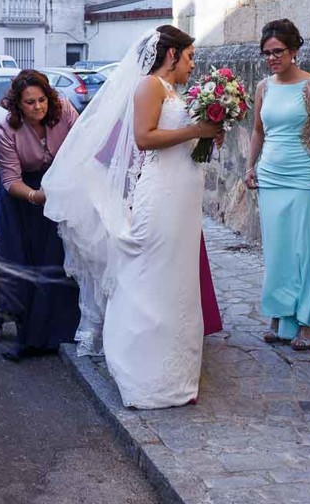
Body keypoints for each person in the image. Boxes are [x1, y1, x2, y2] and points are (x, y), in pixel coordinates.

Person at [44, 30, 225, 359]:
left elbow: (175, 138)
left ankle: (171, 347)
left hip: (180, 189)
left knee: (174, 272)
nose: (193, 64)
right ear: (171, 54)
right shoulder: (150, 86)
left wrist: (205, 138)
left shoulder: (171, 90)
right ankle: (139, 352)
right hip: (162, 188)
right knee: (151, 266)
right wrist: (197, 130)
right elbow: (144, 137)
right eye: (189, 56)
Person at [244, 19, 310, 350]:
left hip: (302, 175)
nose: (272, 58)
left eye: (278, 52)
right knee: (277, 249)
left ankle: (308, 322)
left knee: (305, 248)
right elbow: (258, 130)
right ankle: (279, 316)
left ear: (294, 51)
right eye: (266, 53)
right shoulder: (263, 88)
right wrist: (250, 165)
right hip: (270, 176)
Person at [0, 70, 80, 361]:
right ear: (18, 104)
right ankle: (21, 330)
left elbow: (83, 145)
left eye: (41, 100)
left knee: (56, 260)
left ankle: (58, 332)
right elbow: (10, 180)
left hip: (58, 189)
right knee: (18, 261)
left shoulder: (64, 110)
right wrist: (36, 196)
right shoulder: (6, 129)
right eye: (30, 102)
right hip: (21, 197)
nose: (38, 107)